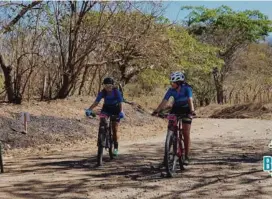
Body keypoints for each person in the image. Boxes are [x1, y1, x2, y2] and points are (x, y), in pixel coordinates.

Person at [152, 71, 195, 165]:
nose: (172, 84)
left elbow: (190, 100)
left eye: (173, 82)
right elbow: (164, 101)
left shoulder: (187, 88)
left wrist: (192, 111)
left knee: (185, 133)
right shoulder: (171, 90)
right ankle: (167, 156)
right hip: (176, 109)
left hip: (186, 109)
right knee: (170, 129)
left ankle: (187, 156)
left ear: (179, 82)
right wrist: (156, 111)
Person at [86, 77, 125, 157]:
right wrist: (89, 110)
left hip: (116, 109)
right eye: (106, 85)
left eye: (109, 85)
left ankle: (116, 148)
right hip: (106, 109)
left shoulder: (116, 92)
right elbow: (96, 102)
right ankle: (102, 136)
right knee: (103, 120)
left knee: (115, 129)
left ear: (113, 85)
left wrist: (121, 112)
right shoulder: (103, 92)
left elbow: (120, 103)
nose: (108, 87)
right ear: (103, 86)